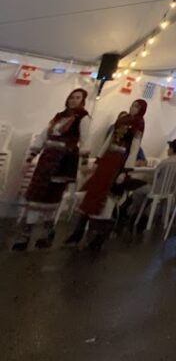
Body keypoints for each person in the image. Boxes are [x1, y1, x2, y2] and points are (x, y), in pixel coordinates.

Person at [12, 88, 91, 251]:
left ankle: (46, 233)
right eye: (71, 97)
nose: (73, 100)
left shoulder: (83, 118)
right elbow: (43, 136)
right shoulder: (59, 117)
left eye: (77, 98)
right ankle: (27, 234)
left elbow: (85, 141)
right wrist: (31, 156)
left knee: (51, 197)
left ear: (83, 101)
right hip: (46, 159)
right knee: (35, 194)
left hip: (62, 161)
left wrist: (83, 162)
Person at [65, 99, 147, 249]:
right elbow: (109, 141)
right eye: (133, 105)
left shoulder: (138, 125)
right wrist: (98, 159)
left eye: (137, 106)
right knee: (93, 192)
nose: (133, 108)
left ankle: (99, 236)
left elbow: (134, 148)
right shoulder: (122, 120)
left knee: (108, 198)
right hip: (107, 160)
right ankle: (79, 232)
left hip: (119, 163)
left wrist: (126, 170)